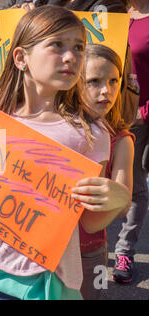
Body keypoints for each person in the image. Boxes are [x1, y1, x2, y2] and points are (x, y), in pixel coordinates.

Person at [0, 5, 130, 300]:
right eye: (57, 45)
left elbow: (87, 221)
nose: (71, 56)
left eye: (78, 47)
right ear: (21, 58)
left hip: (41, 282)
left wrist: (118, 199)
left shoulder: (90, 133)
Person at [79, 43, 135, 299]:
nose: (106, 90)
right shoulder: (55, 130)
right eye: (94, 81)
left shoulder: (121, 141)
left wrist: (111, 190)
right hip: (46, 249)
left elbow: (123, 204)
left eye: (114, 81)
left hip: (90, 251)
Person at [112, 0, 149, 284]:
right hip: (99, 114)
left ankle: (124, 251)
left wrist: (145, 110)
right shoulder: (108, 11)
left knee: (135, 187)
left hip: (137, 120)